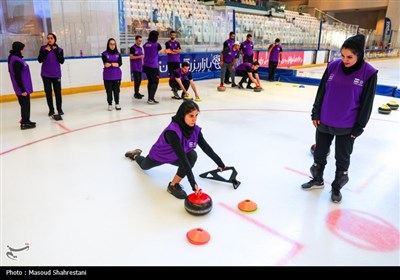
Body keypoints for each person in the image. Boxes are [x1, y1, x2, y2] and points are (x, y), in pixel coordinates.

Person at [301, 34, 378, 203]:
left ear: (359, 55)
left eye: (349, 57)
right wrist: (315, 113)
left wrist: (359, 127)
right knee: (320, 154)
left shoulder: (369, 73)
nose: (345, 60)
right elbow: (322, 91)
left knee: (342, 159)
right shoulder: (333, 66)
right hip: (325, 119)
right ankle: (317, 179)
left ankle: (336, 188)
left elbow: (367, 103)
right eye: (342, 56)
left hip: (348, 125)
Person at [125, 100, 226, 199]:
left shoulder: (195, 130)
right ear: (183, 115)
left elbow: (206, 148)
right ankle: (135, 155)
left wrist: (220, 163)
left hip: (175, 157)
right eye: (191, 116)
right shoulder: (172, 132)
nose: (194, 119)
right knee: (144, 166)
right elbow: (182, 158)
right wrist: (192, 182)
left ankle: (173, 185)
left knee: (192, 155)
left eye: (196, 115)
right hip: (160, 156)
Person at [8, 41, 36, 130]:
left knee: (24, 105)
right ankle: (24, 123)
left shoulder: (15, 58)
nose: (23, 51)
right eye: (22, 49)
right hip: (22, 87)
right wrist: (22, 89)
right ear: (19, 49)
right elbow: (17, 76)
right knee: (25, 105)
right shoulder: (16, 60)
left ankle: (26, 119)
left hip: (22, 87)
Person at [37, 32, 65, 116]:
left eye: (51, 38)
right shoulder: (43, 48)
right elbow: (39, 60)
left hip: (56, 74)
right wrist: (45, 51)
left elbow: (62, 61)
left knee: (58, 92)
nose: (49, 39)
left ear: (54, 39)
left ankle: (59, 109)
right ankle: (51, 110)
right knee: (48, 92)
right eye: (48, 38)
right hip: (45, 74)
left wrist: (55, 51)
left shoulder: (59, 50)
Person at [142, 30, 168, 105]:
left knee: (150, 81)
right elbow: (162, 52)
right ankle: (151, 98)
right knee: (155, 82)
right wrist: (167, 51)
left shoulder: (145, 44)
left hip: (146, 66)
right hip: (153, 66)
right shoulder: (157, 45)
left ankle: (150, 98)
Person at [102, 38, 122, 111]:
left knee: (116, 91)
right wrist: (114, 64)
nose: (112, 46)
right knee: (109, 91)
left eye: (114, 44)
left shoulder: (118, 54)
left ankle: (117, 103)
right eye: (111, 44)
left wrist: (111, 64)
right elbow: (105, 64)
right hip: (107, 76)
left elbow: (119, 64)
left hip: (117, 75)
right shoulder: (104, 54)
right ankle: (110, 104)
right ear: (108, 45)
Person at [130, 35, 145, 99]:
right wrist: (139, 57)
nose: (140, 42)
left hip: (139, 67)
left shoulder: (140, 48)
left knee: (139, 80)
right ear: (136, 40)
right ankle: (136, 93)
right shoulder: (132, 48)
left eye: (141, 41)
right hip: (135, 67)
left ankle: (137, 92)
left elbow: (142, 57)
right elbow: (131, 57)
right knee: (137, 80)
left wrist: (142, 63)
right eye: (139, 41)